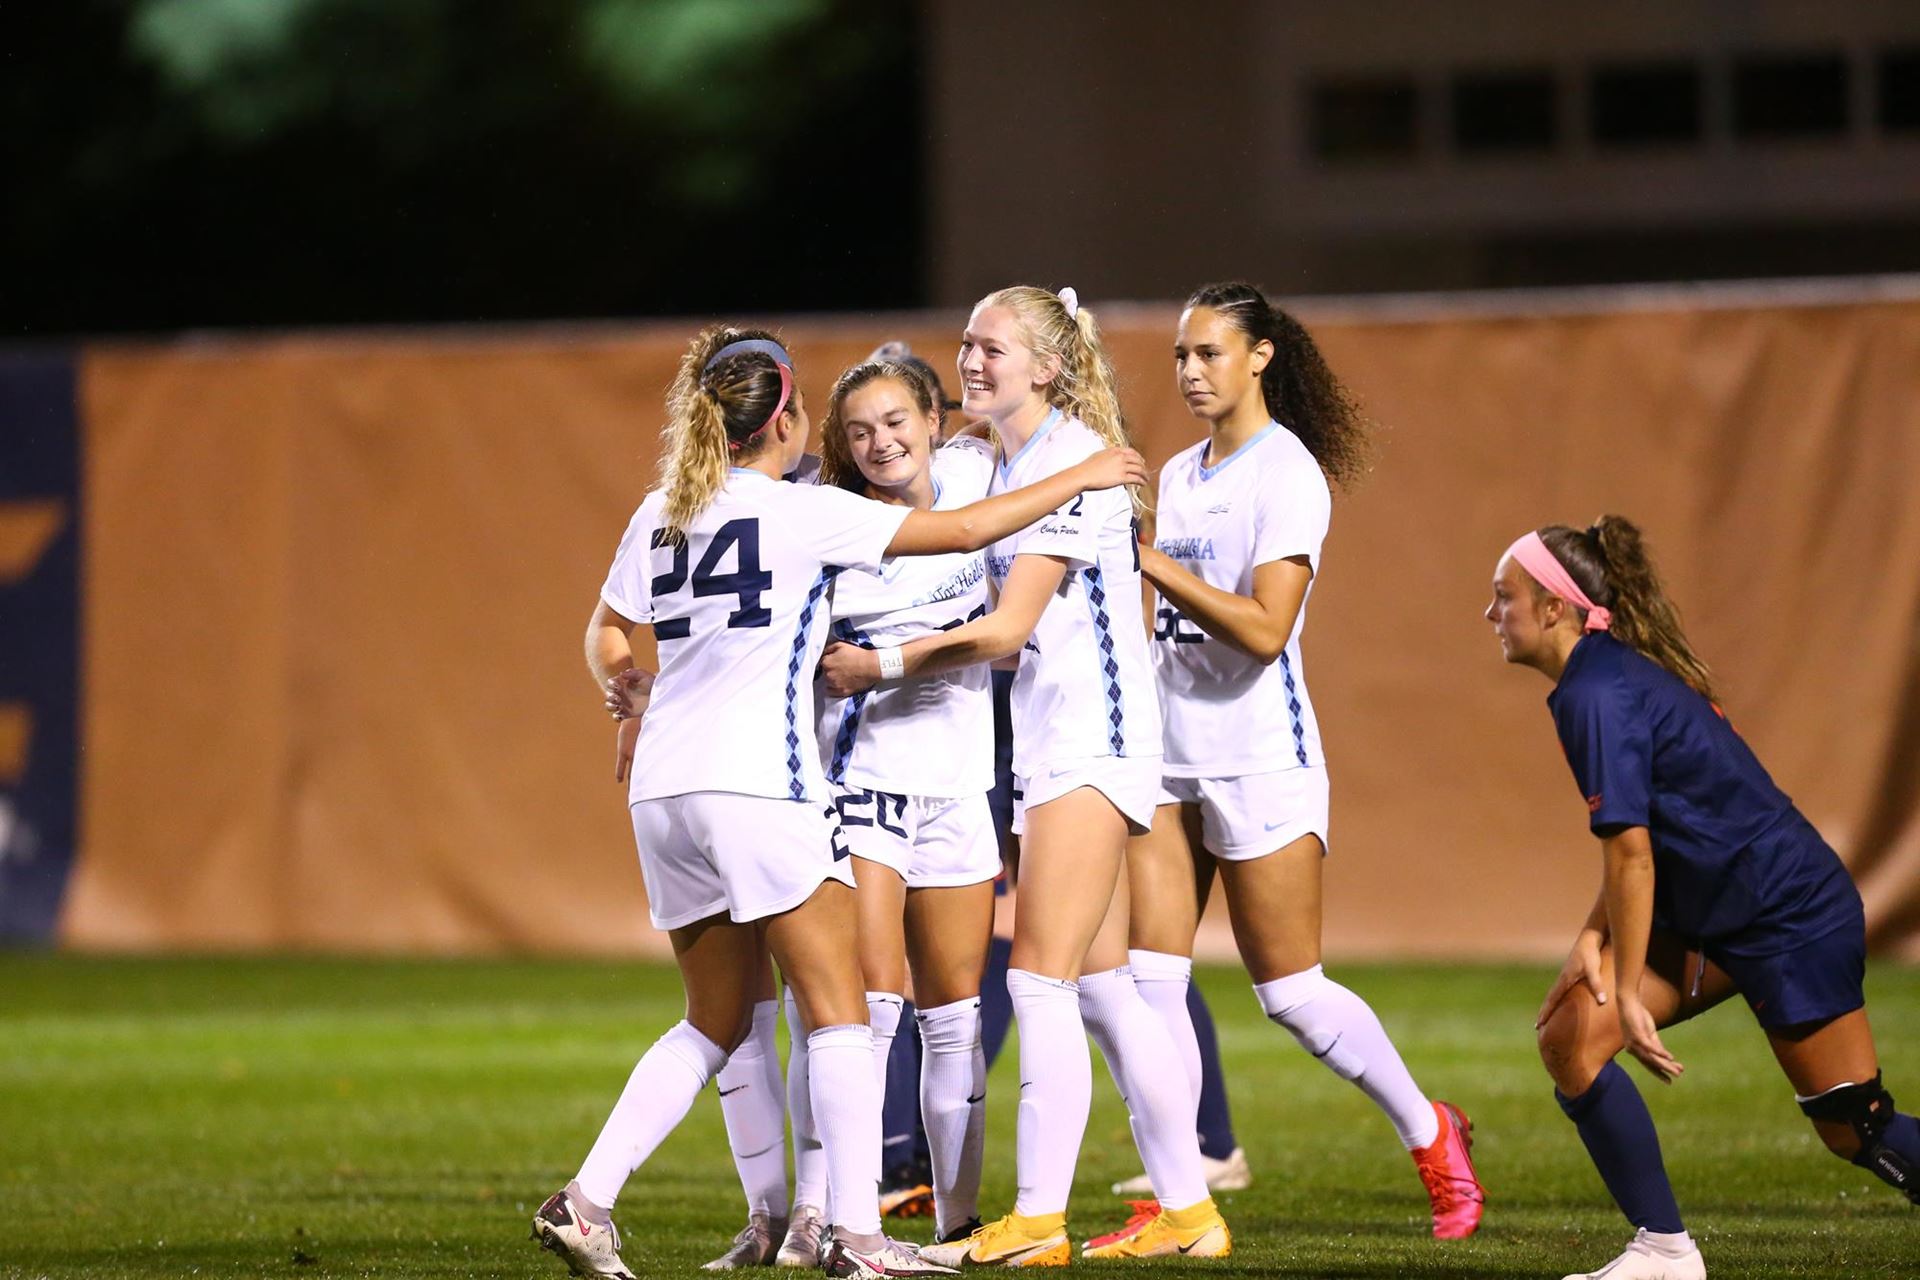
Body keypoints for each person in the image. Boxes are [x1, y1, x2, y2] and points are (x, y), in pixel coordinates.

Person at [531, 324, 1146, 1280]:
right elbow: (970, 529)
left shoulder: (661, 506)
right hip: (759, 785)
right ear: (784, 419)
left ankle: (588, 1199)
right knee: (842, 1017)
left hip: (660, 792)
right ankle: (856, 1240)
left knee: (716, 1019)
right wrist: (1086, 472)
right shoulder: (796, 512)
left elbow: (608, 630)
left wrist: (626, 686)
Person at [823, 286, 1231, 1265]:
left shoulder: (1070, 465)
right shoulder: (987, 458)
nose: (968, 358)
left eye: (990, 346)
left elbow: (1007, 630)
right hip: (1052, 737)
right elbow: (937, 523)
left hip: (1094, 735)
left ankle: (1039, 1216)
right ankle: (1190, 1208)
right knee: (1102, 987)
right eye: (964, 341)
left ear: (1045, 367)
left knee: (1039, 978)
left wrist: (878, 662)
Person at [1104, 282, 1484, 1251]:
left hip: (1260, 755)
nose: (1189, 371)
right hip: (1168, 757)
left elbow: (1267, 630)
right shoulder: (1182, 472)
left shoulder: (1289, 473)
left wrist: (1149, 561)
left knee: (1292, 993)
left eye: (1210, 353)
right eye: (1182, 356)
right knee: (1150, 983)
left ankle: (1430, 1128)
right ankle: (1181, 1200)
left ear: (1263, 355)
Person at [1489, 516, 1920, 1280]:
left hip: (1789, 914)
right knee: (1569, 1038)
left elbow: (1632, 854)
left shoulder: (1598, 692)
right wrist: (1594, 939)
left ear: (1554, 609)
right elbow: (1637, 838)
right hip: (1715, 911)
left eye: (1503, 597)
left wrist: (1626, 991)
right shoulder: (1590, 682)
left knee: (1858, 1131)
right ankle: (1664, 1252)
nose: (1491, 614)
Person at [797, 358, 1003, 1250]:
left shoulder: (977, 474)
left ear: (932, 415)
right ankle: (837, 1216)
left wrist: (891, 658)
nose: (882, 443)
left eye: (895, 421)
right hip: (864, 779)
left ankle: (957, 1224)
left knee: (956, 1016)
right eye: (859, 432)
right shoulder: (836, 529)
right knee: (868, 1010)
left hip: (960, 783)